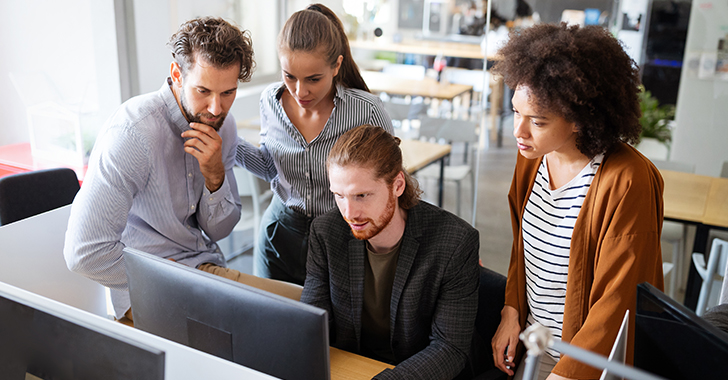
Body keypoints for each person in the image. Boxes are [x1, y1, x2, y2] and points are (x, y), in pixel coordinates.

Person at [489, 23, 665, 380]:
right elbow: (523, 250)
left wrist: (566, 372)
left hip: (583, 362)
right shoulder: (533, 159)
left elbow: (618, 302)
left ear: (579, 119)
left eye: (537, 121)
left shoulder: (627, 180)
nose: (518, 132)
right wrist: (511, 309)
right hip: (536, 348)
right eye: (516, 113)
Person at [64, 17, 255, 321]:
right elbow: (84, 253)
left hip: (203, 268)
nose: (216, 108)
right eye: (203, 90)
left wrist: (215, 176)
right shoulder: (133, 133)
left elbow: (220, 229)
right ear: (177, 74)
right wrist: (160, 277)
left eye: (227, 93)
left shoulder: (224, 126)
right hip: (147, 289)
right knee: (264, 340)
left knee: (306, 313)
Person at [301, 125, 480, 380]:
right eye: (339, 196)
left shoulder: (455, 242)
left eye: (362, 195)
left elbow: (449, 348)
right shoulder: (326, 233)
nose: (349, 213)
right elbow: (311, 323)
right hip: (356, 368)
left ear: (397, 185)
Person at [235, 3, 393, 285]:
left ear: (336, 66)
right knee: (272, 324)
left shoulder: (366, 110)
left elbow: (390, 184)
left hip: (341, 241)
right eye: (289, 76)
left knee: (330, 327)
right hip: (279, 236)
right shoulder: (270, 101)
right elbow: (271, 167)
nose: (299, 91)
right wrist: (227, 142)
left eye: (313, 79)